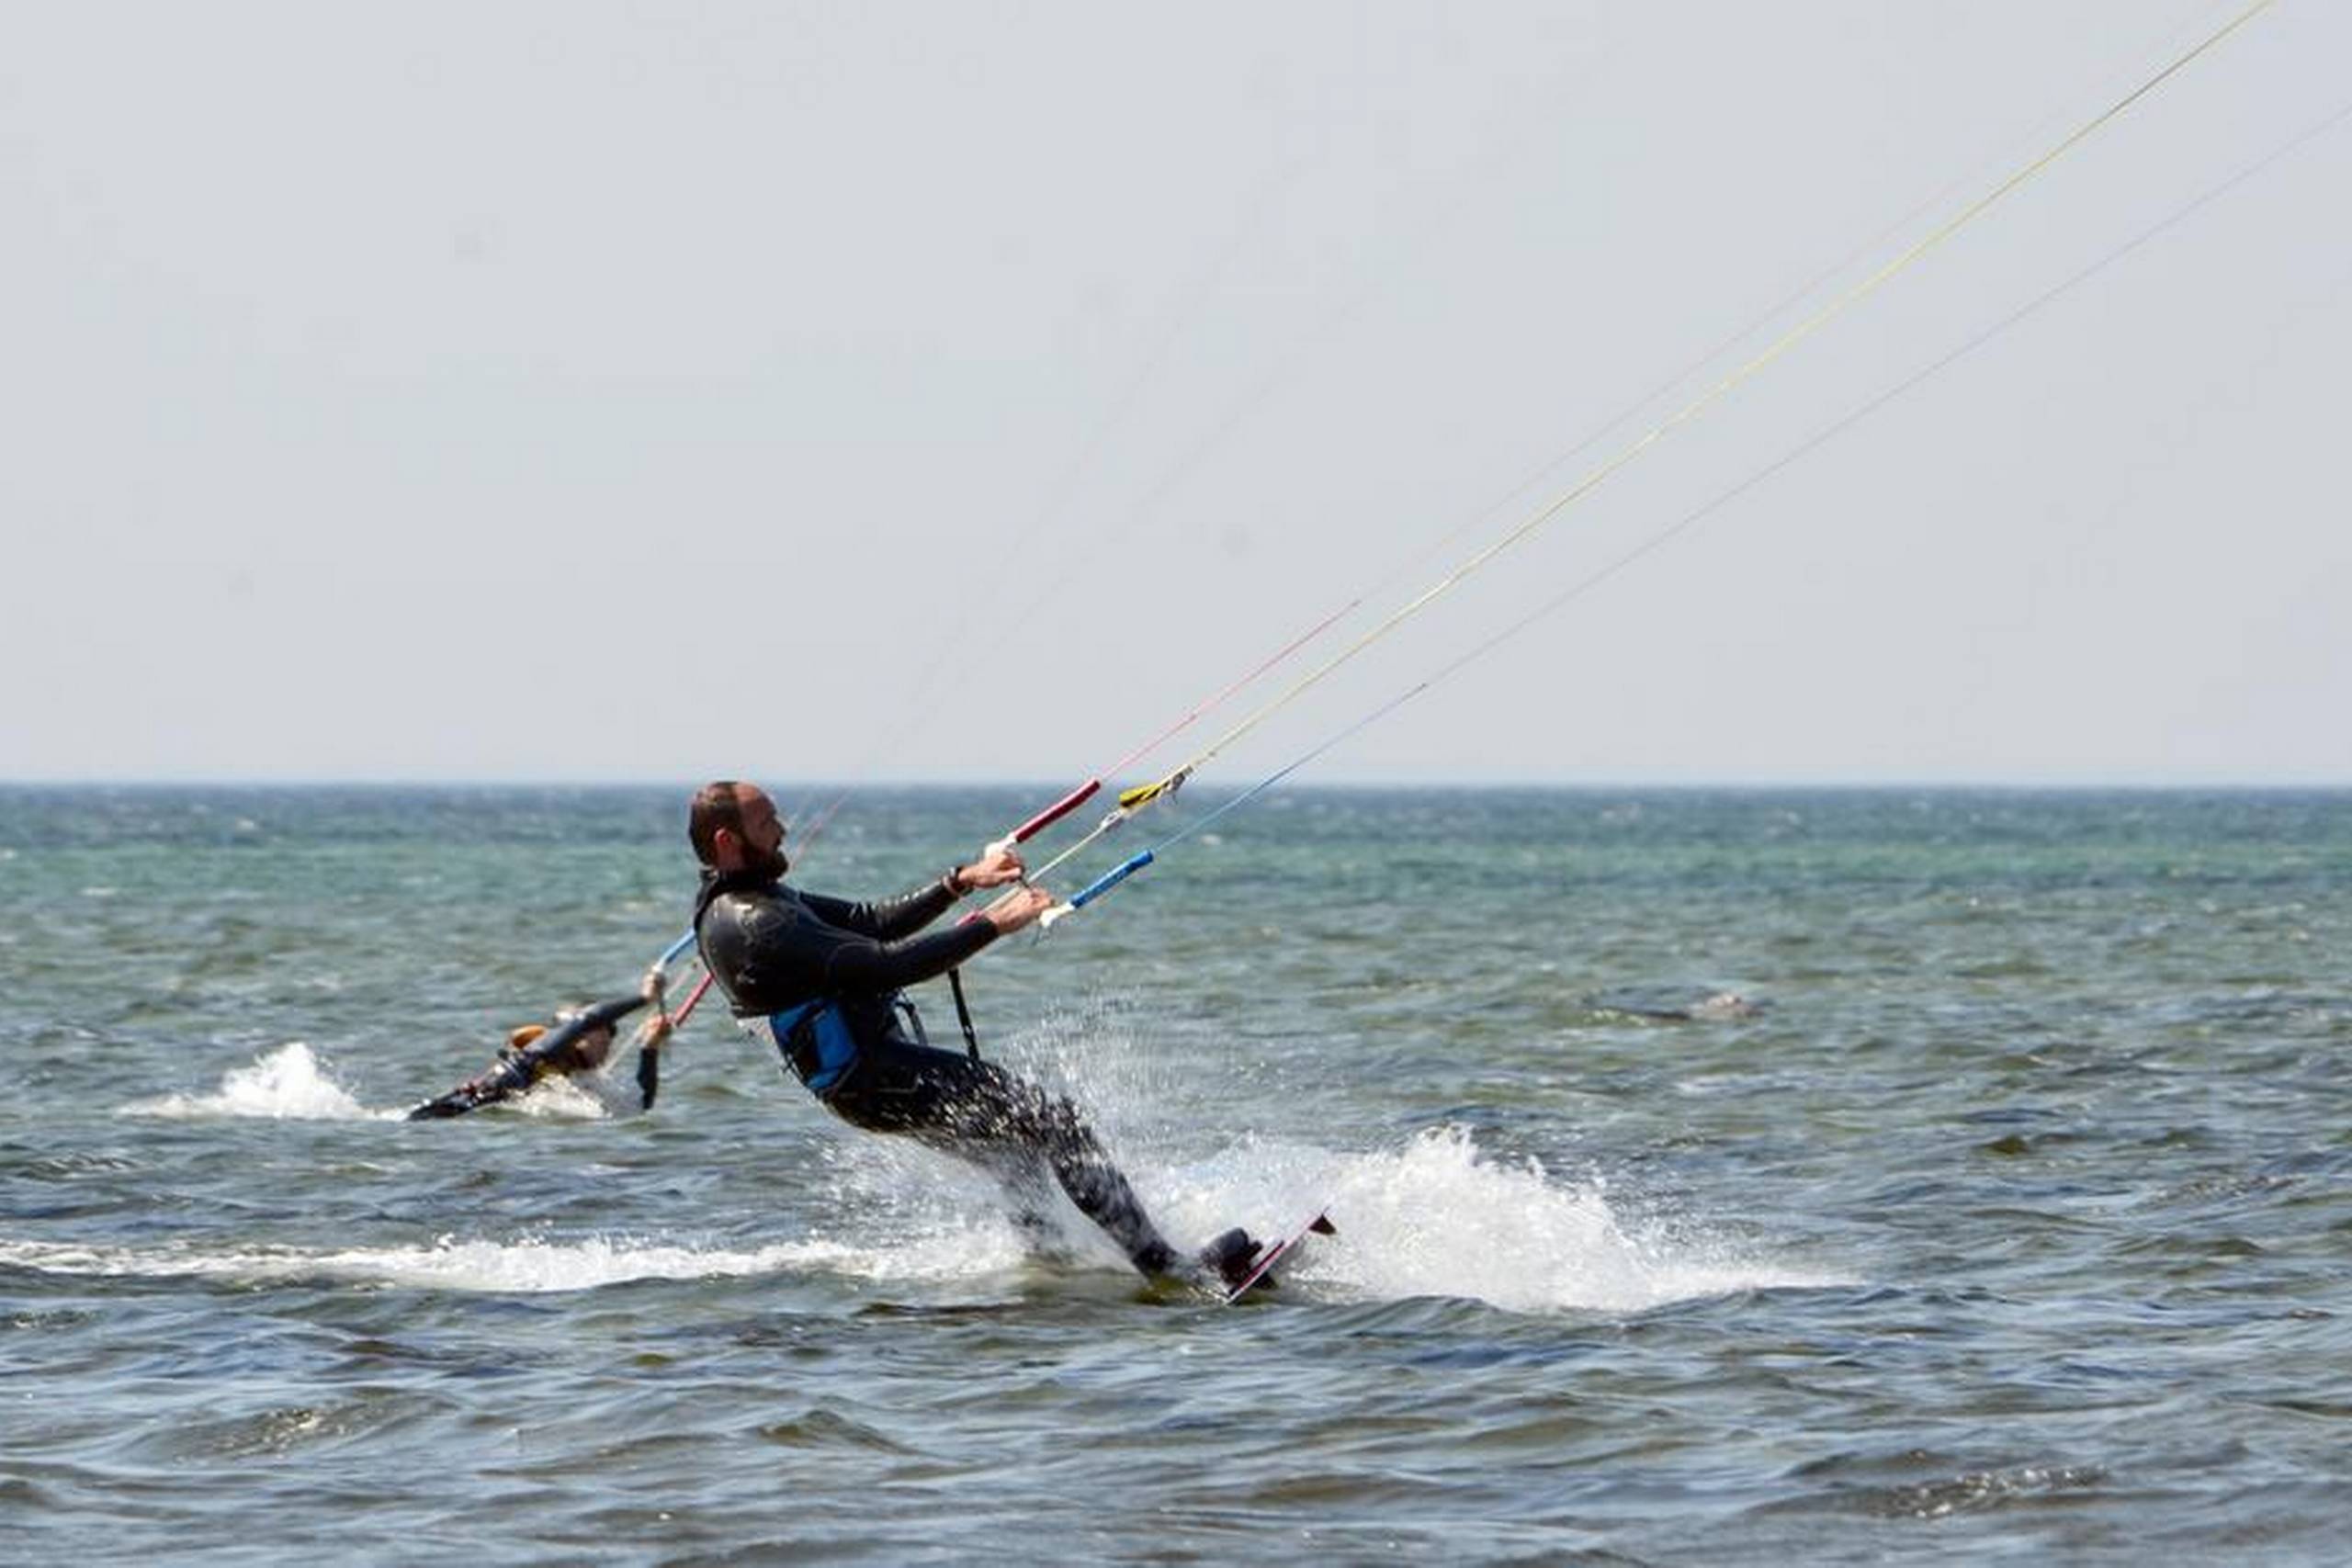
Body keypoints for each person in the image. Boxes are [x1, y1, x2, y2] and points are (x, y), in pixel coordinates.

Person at [687, 779, 1258, 1289]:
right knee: (1055, 1122)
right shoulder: (754, 922)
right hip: (877, 1077)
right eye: (767, 822)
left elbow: (869, 921)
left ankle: (1051, 1270)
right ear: (727, 842)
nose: (782, 829)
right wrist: (995, 923)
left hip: (869, 1080)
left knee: (1015, 1152)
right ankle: (1168, 1269)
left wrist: (961, 882)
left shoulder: (760, 898)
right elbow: (889, 964)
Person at [408, 975, 674, 1121]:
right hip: (441, 1117)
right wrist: (644, 998)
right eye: (605, 1034)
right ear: (576, 1037)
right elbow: (587, 1018)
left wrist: (649, 1048)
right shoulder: (538, 1054)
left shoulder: (579, 1079)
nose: (610, 1042)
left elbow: (638, 1106)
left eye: (612, 1035)